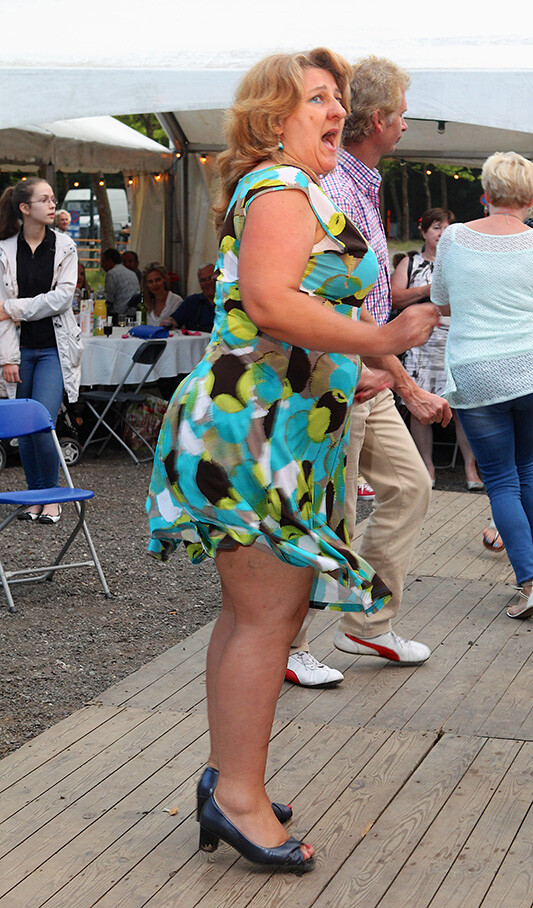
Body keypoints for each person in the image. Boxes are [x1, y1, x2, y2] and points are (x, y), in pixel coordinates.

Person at [146, 48, 438, 871]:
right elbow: (271, 303)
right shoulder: (280, 187)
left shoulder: (290, 186)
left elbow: (287, 313)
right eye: (316, 99)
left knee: (252, 616)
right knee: (265, 620)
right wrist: (381, 336)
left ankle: (228, 780)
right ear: (273, 118)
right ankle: (237, 797)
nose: (336, 109)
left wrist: (357, 368)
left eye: (337, 97)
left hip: (272, 428)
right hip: (256, 430)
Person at [287, 56, 452, 689]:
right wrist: (401, 377)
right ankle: (289, 643)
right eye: (402, 114)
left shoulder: (358, 182)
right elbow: (331, 300)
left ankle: (367, 622)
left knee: (408, 486)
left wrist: (395, 371)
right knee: (330, 513)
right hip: (341, 369)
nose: (407, 124)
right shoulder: (332, 185)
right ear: (379, 120)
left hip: (365, 366)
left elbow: (361, 300)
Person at [431, 151, 533, 619]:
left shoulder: (454, 238)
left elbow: (441, 302)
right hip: (530, 369)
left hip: (477, 372)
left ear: (485, 194)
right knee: (528, 470)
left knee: (501, 480)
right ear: (530, 198)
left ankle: (529, 581)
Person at [0, 178, 81, 523]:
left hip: (52, 349)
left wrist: (14, 308)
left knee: (43, 422)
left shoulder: (64, 246)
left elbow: (62, 299)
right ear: (24, 208)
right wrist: (7, 358)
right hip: (18, 351)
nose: (52, 205)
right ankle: (35, 497)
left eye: (52, 199)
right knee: (22, 428)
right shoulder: (4, 250)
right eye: (44, 199)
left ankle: (52, 498)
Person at [391, 207, 483, 490]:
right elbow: (394, 298)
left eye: (447, 227)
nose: (442, 233)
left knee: (460, 406)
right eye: (436, 227)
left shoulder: (462, 262)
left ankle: (470, 468)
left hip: (455, 342)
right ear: (423, 232)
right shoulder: (410, 263)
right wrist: (427, 289)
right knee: (420, 406)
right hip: (420, 346)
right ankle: (427, 466)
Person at [163, 263, 216, 333]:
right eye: (203, 280)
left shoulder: (228, 301)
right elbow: (174, 320)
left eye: (211, 278)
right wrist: (167, 322)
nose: (208, 283)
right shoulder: (192, 302)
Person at [101, 247, 139, 319]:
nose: (102, 266)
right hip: (133, 313)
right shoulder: (132, 273)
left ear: (109, 261)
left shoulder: (111, 273)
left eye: (103, 262)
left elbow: (109, 299)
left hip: (119, 315)